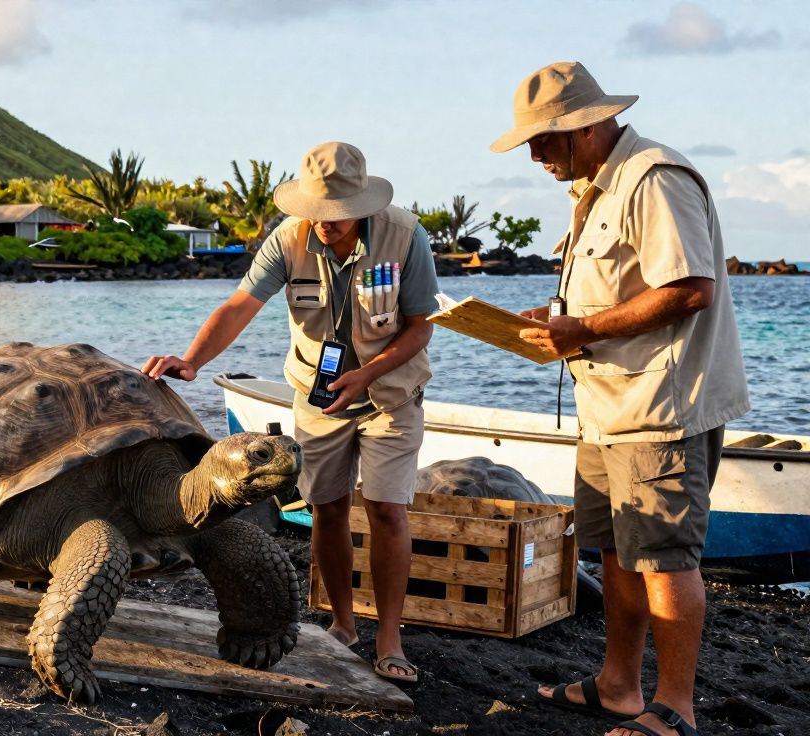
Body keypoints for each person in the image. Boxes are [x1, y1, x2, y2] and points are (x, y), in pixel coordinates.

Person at [492, 62, 747, 736]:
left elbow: (691, 289)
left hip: (659, 413)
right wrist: (552, 320)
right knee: (614, 554)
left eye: (545, 139)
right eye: (530, 142)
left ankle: (676, 709)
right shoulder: (595, 191)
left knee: (664, 560)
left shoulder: (654, 178)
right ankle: (619, 687)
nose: (535, 154)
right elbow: (614, 290)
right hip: (606, 412)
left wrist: (585, 329)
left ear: (587, 124)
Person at [143, 141, 438, 684]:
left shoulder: (405, 235)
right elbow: (240, 306)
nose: (325, 224)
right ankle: (344, 624)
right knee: (325, 508)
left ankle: (391, 638)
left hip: (389, 394)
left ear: (363, 205)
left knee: (387, 510)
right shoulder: (288, 238)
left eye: (337, 215)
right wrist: (192, 359)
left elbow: (421, 325)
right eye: (316, 213)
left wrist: (367, 375)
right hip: (320, 395)